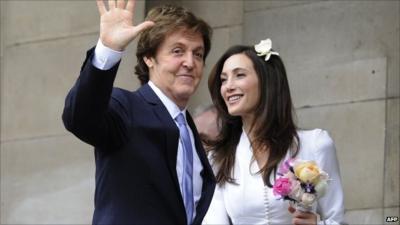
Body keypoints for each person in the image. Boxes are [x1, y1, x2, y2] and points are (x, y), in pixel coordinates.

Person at [62, 1, 215, 224]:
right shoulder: (126, 107)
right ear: (149, 57)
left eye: (198, 54)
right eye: (177, 51)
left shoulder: (190, 130)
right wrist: (109, 49)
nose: (190, 63)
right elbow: (79, 118)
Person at [202, 39, 345, 225]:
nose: (228, 86)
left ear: (267, 80)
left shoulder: (316, 144)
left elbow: (338, 220)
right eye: (223, 79)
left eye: (239, 75)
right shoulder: (219, 159)